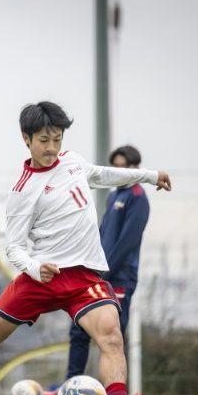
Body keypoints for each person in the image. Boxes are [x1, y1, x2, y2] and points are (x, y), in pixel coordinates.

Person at [0, 101, 171, 395]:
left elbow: (102, 175)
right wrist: (35, 267)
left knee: (111, 334)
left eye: (57, 138)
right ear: (26, 139)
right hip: (42, 278)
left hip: (83, 277)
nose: (52, 147)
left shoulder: (71, 161)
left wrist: (150, 175)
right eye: (44, 140)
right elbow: (14, 248)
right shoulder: (21, 191)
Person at [66, 145, 149, 379]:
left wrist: (102, 273)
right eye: (116, 167)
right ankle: (70, 386)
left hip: (118, 278)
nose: (119, 171)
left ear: (136, 169)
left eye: (124, 167)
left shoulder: (138, 197)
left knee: (113, 339)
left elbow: (127, 243)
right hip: (97, 276)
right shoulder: (113, 196)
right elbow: (101, 235)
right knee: (78, 331)